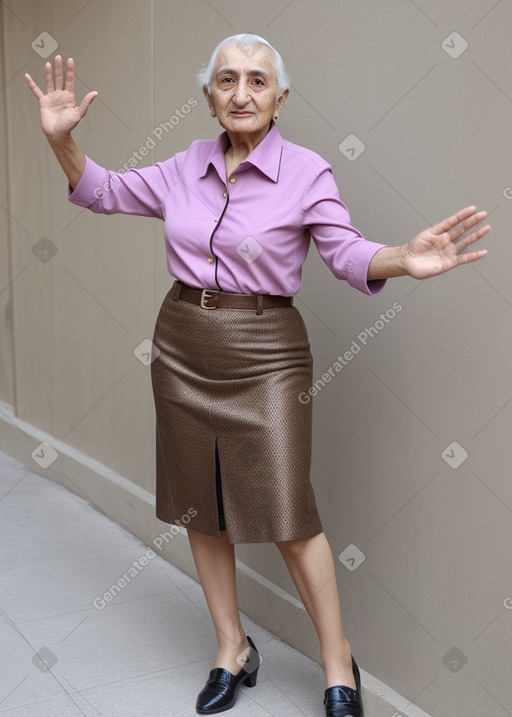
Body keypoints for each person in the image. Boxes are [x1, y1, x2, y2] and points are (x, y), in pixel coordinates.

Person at [25, 33, 489, 717]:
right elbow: (106, 192)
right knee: (197, 502)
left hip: (267, 348)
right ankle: (231, 645)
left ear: (280, 98)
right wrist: (62, 141)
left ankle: (337, 663)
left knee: (287, 513)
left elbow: (345, 251)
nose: (241, 93)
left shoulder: (307, 173)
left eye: (257, 81)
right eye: (226, 80)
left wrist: (402, 257)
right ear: (208, 96)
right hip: (182, 339)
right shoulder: (186, 165)